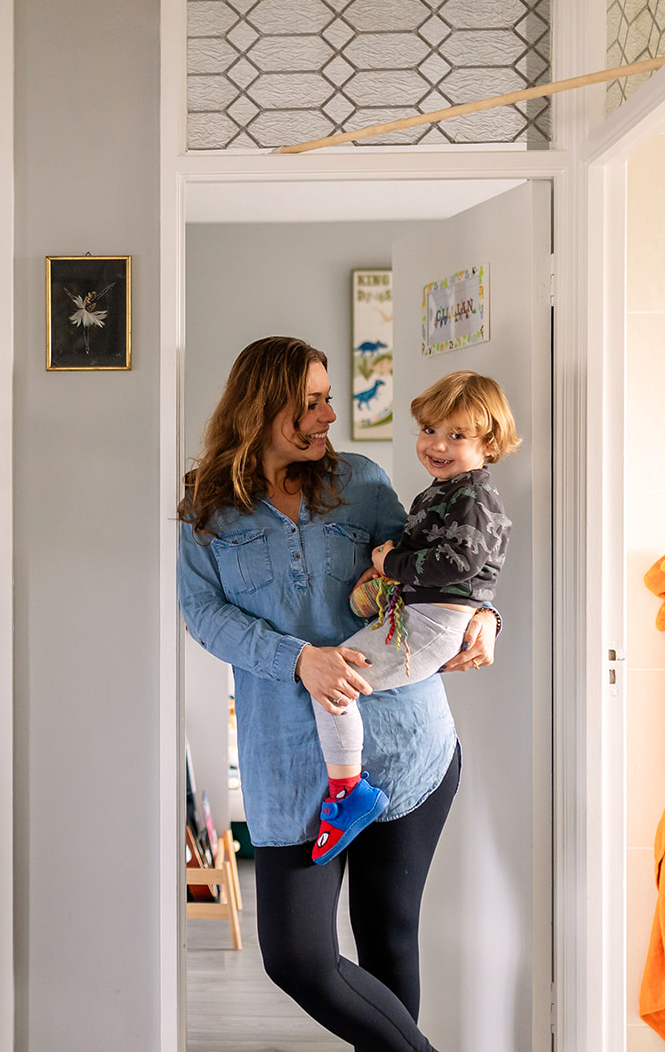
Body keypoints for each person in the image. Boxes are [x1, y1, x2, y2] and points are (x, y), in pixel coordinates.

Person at [176, 336, 499, 1051]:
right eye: (313, 401)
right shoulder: (206, 508)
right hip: (290, 764)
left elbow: (437, 564)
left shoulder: (362, 479)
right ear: (264, 407)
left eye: (327, 398)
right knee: (297, 956)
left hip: (404, 749)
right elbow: (204, 614)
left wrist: (484, 614)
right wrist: (299, 660)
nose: (329, 415)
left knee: (387, 938)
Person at [310, 370, 519, 864]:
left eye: (457, 435)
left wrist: (390, 565)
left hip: (435, 623)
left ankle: (347, 792)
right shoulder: (445, 491)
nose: (437, 444)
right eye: (429, 430)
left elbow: (457, 565)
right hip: (425, 615)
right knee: (338, 678)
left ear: (488, 443)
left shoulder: (471, 497)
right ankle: (349, 788)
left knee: (333, 684)